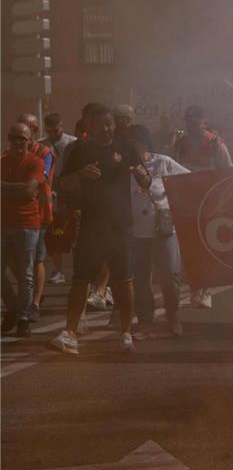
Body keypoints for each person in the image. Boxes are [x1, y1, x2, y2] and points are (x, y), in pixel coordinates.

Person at [49, 103, 151, 355]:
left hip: (120, 226)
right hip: (91, 225)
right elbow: (62, 186)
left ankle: (126, 333)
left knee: (124, 280)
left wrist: (141, 175)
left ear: (113, 125)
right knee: (81, 280)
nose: (105, 129)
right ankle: (70, 332)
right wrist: (81, 175)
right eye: (100, 125)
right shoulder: (79, 150)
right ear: (89, 126)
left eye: (109, 124)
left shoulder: (126, 148)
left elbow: (146, 180)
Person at [125, 124, 189, 338]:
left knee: (169, 276)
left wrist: (162, 192)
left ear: (142, 142)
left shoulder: (162, 162)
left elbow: (189, 182)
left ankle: (173, 316)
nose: (129, 147)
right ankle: (145, 322)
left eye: (133, 142)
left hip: (163, 228)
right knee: (141, 279)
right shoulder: (122, 167)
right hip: (135, 231)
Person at [173, 104, 232, 309]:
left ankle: (205, 290)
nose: (191, 126)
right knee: (189, 247)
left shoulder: (216, 144)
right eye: (188, 122)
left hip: (209, 201)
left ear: (204, 122)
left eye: (195, 122)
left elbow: (228, 172)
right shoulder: (180, 143)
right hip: (186, 200)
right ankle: (195, 289)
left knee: (207, 247)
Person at [1, 122, 45, 337]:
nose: (18, 142)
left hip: (27, 225)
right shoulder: (1, 160)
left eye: (22, 138)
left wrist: (5, 187)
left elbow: (30, 190)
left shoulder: (35, 161)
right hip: (3, 223)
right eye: (14, 137)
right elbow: (26, 189)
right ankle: (12, 308)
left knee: (25, 273)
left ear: (30, 141)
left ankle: (24, 317)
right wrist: (20, 188)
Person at [17, 112, 54, 322]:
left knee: (37, 259)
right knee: (21, 261)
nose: (22, 135)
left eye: (27, 129)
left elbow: (40, 178)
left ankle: (35, 303)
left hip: (38, 212)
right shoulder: (10, 153)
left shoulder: (44, 152)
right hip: (15, 214)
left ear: (34, 132)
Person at [42, 113, 77, 284]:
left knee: (76, 232)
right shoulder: (42, 144)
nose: (54, 134)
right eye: (50, 131)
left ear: (62, 126)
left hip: (72, 193)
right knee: (56, 232)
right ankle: (58, 270)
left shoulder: (73, 142)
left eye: (56, 130)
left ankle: (81, 270)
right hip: (53, 193)